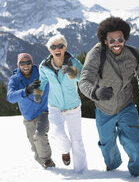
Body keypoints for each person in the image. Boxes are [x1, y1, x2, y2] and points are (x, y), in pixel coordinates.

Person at [79, 16, 139, 177]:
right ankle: (112, 165)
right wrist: (95, 92)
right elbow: (84, 81)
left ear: (125, 38)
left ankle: (138, 172)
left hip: (126, 105)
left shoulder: (133, 54)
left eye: (120, 39)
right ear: (105, 40)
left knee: (134, 142)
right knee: (107, 144)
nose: (116, 43)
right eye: (112, 40)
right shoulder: (96, 54)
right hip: (104, 109)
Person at [38, 34, 88, 174]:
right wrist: (38, 93)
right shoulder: (45, 66)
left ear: (65, 47)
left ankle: (82, 172)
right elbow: (41, 82)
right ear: (50, 50)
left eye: (60, 46)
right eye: (53, 47)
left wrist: (73, 72)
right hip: (55, 107)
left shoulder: (73, 62)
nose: (57, 49)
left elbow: (84, 77)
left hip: (73, 107)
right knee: (56, 132)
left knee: (77, 141)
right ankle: (65, 151)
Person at [7, 53, 55, 168]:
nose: (26, 65)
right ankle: (44, 166)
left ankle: (48, 162)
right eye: (22, 63)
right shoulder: (15, 79)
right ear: (18, 65)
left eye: (28, 62)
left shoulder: (40, 73)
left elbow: (53, 74)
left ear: (32, 63)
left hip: (43, 113)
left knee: (40, 135)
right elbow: (10, 97)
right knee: (34, 146)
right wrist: (26, 91)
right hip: (28, 118)